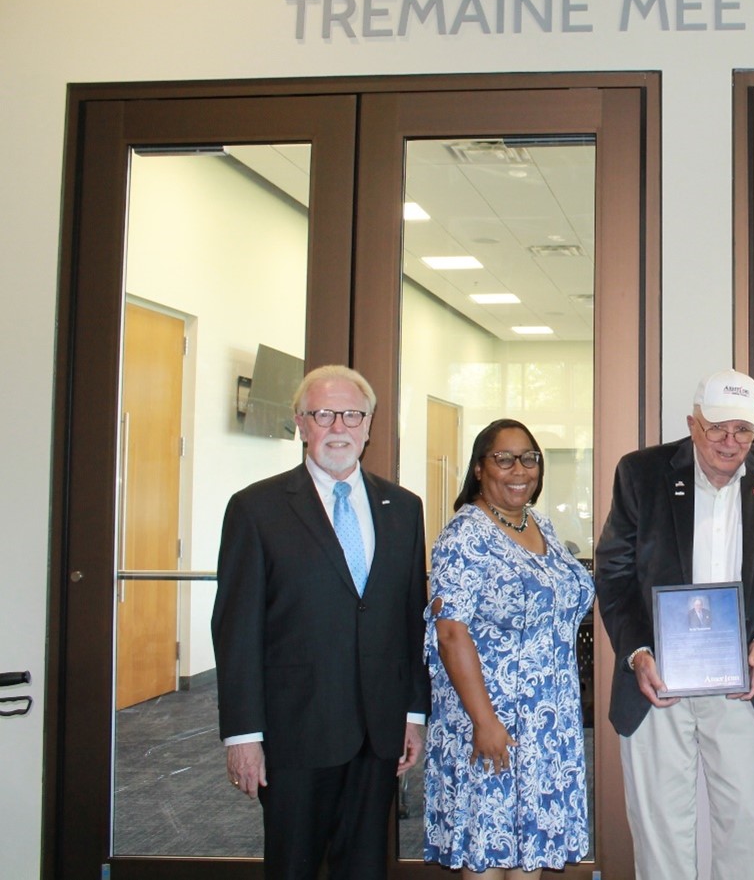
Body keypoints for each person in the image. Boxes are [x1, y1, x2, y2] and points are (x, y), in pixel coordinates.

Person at [212, 364, 429, 879]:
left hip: (378, 732)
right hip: (295, 732)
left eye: (352, 415)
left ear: (370, 425)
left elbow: (408, 619)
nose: (339, 427)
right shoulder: (256, 508)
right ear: (300, 424)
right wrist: (242, 734)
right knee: (294, 867)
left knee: (365, 869)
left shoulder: (403, 507)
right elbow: (236, 629)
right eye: (324, 414)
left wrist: (414, 714)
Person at [595, 368, 754, 880]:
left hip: (743, 682)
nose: (729, 442)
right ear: (693, 425)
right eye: (717, 428)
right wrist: (637, 653)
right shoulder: (640, 473)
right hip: (658, 681)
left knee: (746, 827)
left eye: (743, 430)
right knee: (660, 830)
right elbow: (614, 572)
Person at [423, 419, 595, 878]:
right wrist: (484, 723)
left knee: (529, 854)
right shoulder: (465, 536)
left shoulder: (539, 523)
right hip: (492, 722)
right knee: (490, 852)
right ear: (480, 468)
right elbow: (450, 633)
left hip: (546, 726)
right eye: (504, 459)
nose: (519, 469)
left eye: (529, 458)